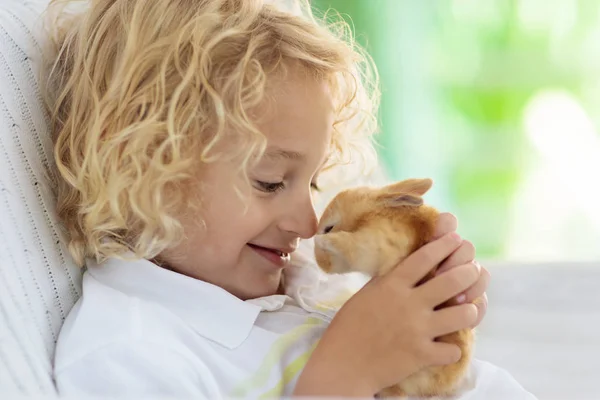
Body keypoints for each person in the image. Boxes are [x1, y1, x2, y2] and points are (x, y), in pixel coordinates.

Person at [45, 0, 534, 397]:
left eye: (313, 183)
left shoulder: (302, 282)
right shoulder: (127, 355)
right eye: (271, 181)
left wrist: (431, 326)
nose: (306, 225)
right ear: (141, 163)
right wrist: (344, 377)